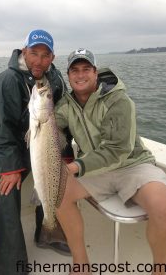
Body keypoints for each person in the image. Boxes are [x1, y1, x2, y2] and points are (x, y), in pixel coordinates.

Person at [55, 48, 166, 275]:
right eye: (75, 70)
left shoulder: (118, 99)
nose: (80, 75)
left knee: (163, 207)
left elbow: (118, 149)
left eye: (86, 69)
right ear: (68, 75)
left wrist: (75, 166)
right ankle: (81, 264)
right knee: (57, 192)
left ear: (96, 72)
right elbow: (50, 125)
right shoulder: (66, 105)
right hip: (95, 169)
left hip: (133, 164)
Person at [0, 29, 72, 275]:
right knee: (9, 188)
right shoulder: (7, 80)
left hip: (43, 139)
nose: (39, 61)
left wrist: (64, 153)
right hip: (9, 141)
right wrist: (10, 167)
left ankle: (47, 231)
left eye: (45, 55)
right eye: (34, 53)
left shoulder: (54, 79)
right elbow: (2, 128)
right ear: (24, 52)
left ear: (52, 58)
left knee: (59, 178)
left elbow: (63, 120)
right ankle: (11, 264)